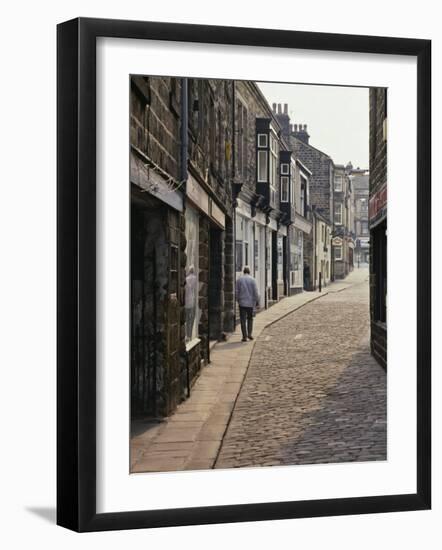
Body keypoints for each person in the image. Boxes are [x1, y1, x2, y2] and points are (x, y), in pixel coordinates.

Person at [235, 266, 259, 342]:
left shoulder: (239, 280)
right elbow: (255, 291)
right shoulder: (253, 280)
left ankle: (244, 336)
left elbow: (236, 291)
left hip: (242, 302)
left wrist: (237, 299)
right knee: (250, 319)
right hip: (250, 303)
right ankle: (249, 334)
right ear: (249, 272)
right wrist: (257, 300)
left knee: (242, 319)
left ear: (243, 271)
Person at [185, 265, 197, 341]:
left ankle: (188, 334)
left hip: (186, 301)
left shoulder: (186, 279)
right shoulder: (195, 278)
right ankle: (190, 333)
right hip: (192, 300)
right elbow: (195, 290)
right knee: (192, 318)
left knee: (187, 318)